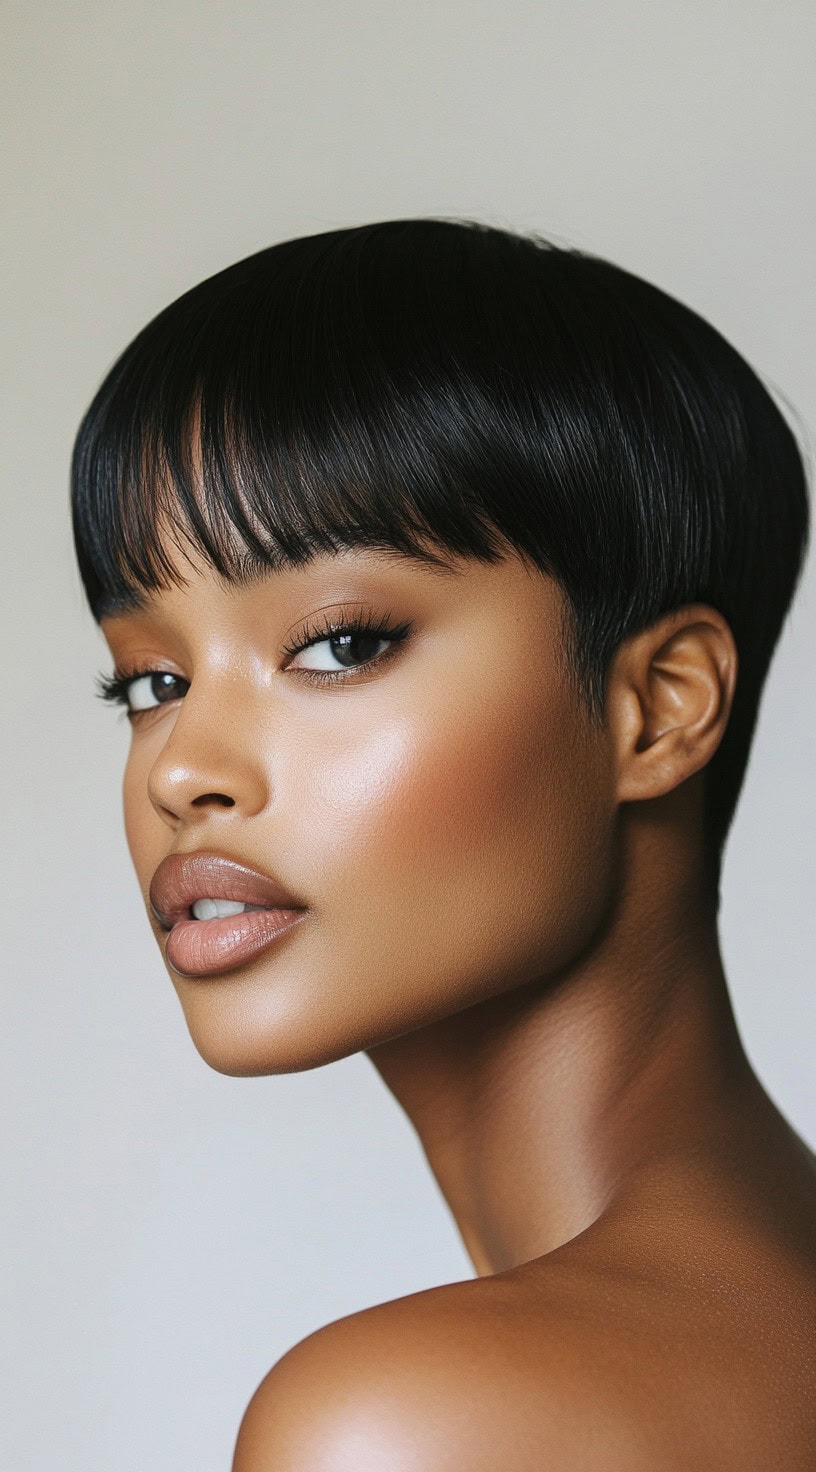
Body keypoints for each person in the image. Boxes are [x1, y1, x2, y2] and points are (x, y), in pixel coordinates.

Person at [71, 218, 815, 1470]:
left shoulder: (413, 1422)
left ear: (662, 704)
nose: (184, 766)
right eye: (149, 682)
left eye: (341, 642)